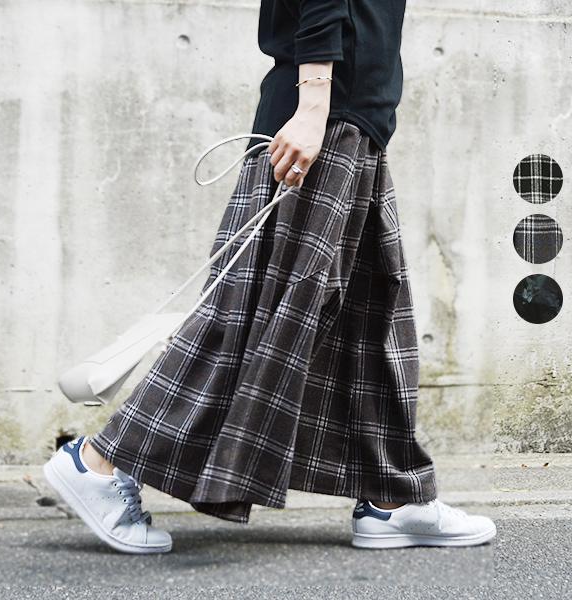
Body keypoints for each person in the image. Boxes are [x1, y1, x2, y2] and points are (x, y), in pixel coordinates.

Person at [43, 0, 496, 554]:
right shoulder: (319, 110)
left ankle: (391, 499)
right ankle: (98, 462)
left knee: (370, 321)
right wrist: (314, 104)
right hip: (326, 121)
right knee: (260, 321)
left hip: (354, 121)